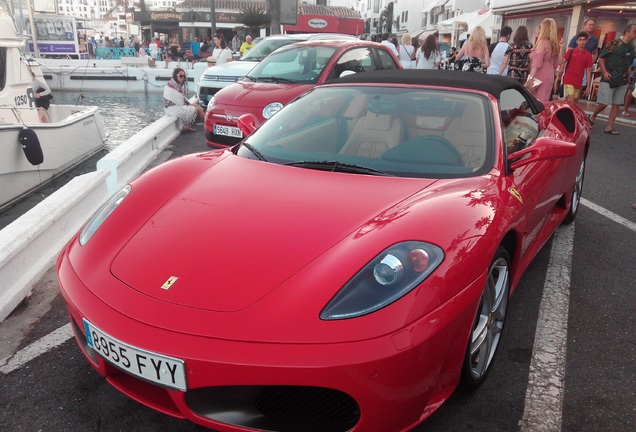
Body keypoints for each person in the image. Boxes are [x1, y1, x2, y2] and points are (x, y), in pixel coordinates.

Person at [588, 24, 636, 135]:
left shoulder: (632, 48)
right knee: (604, 103)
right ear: (627, 31)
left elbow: (629, 64)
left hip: (623, 79)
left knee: (616, 104)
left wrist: (629, 78)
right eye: (634, 31)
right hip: (609, 77)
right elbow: (601, 59)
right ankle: (593, 116)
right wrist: (604, 72)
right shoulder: (614, 44)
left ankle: (609, 127)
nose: (635, 34)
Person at [527, 18, 562, 102]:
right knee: (544, 99)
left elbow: (537, 63)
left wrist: (530, 78)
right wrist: (562, 48)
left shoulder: (542, 42)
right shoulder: (554, 44)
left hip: (539, 75)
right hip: (549, 75)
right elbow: (558, 62)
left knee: (534, 101)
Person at [163, 68, 205, 132]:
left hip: (174, 107)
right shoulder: (172, 87)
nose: (182, 78)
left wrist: (190, 104)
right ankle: (207, 123)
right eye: (180, 76)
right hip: (172, 109)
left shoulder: (174, 85)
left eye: (184, 76)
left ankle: (186, 125)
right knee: (197, 109)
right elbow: (180, 102)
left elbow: (181, 100)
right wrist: (190, 105)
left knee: (195, 105)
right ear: (175, 75)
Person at [558, 32, 593, 103]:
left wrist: (588, 86)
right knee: (571, 100)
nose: (582, 42)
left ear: (586, 41)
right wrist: (561, 48)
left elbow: (588, 71)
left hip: (579, 82)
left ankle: (566, 113)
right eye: (580, 40)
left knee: (573, 103)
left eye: (584, 40)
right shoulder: (571, 51)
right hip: (568, 80)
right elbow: (560, 61)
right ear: (577, 41)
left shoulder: (588, 55)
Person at [568, 18, 599, 91]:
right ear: (584, 26)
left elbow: (595, 53)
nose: (591, 26)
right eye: (589, 25)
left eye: (593, 25)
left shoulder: (594, 39)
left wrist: (590, 63)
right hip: (574, 66)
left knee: (579, 88)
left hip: (585, 66)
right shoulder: (576, 37)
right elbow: (569, 51)